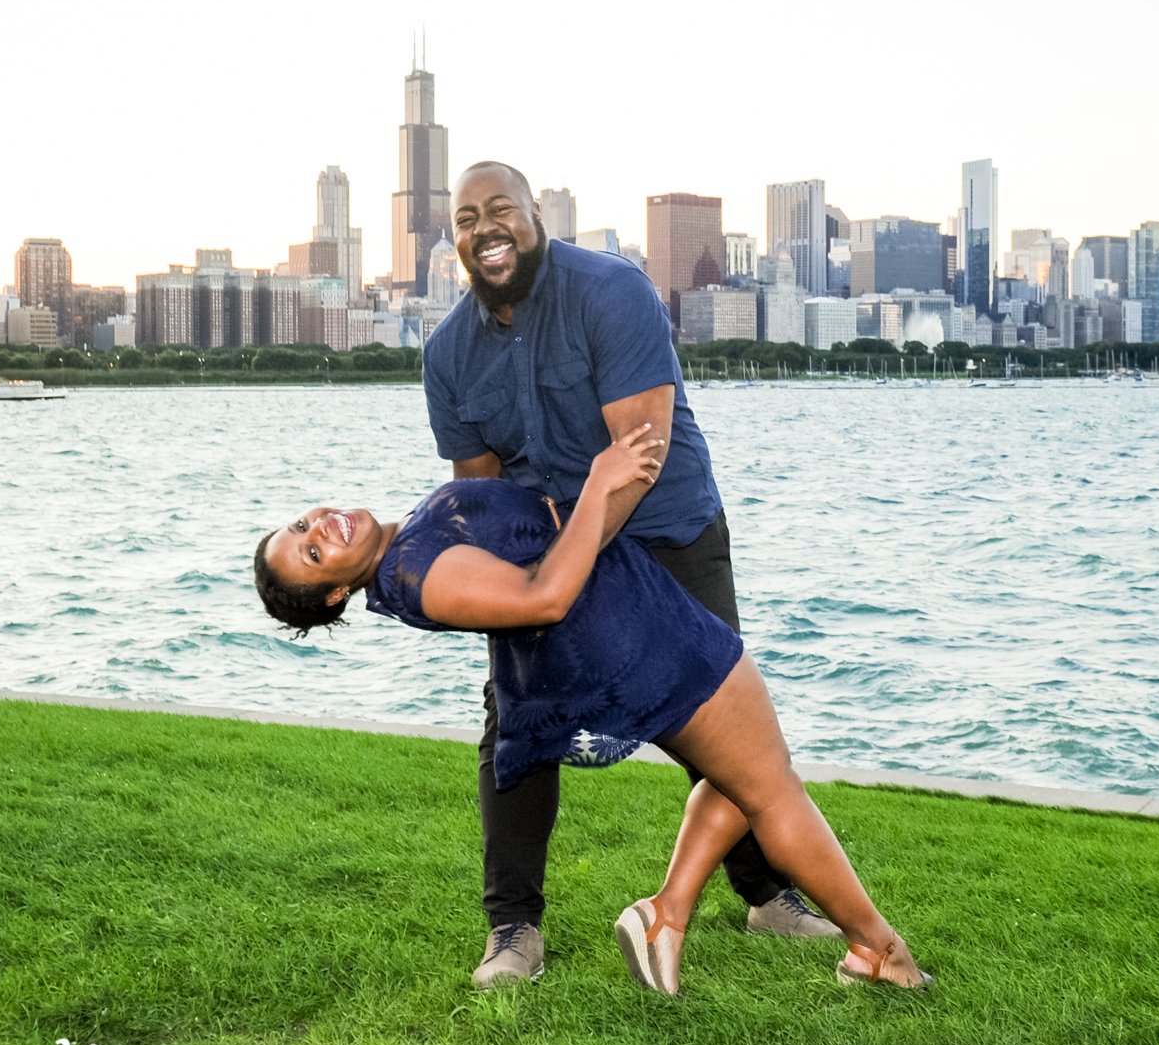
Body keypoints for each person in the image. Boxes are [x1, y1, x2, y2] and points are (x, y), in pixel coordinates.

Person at [250, 425, 932, 993]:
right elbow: (543, 596)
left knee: (744, 777)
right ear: (334, 594)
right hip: (641, 641)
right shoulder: (415, 573)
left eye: (304, 524)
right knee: (772, 789)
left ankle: (666, 915)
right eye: (313, 553)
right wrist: (604, 480)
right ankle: (878, 949)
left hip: (639, 620)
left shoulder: (408, 544)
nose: (323, 528)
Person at [419, 159, 835, 989]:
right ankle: (514, 931)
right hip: (552, 551)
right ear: (454, 240)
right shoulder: (447, 354)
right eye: (467, 218)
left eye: (502, 209)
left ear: (537, 215)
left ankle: (766, 896)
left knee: (719, 722)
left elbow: (637, 458)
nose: (485, 228)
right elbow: (484, 495)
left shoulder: (612, 292)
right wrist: (526, 588)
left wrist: (560, 578)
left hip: (668, 527)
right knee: (515, 724)